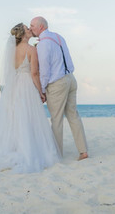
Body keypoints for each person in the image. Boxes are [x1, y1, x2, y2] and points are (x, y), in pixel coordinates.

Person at [0, 23, 61, 174]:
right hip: (26, 85)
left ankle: (13, 147)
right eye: (27, 29)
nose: (30, 30)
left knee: (14, 118)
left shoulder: (12, 51)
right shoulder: (31, 50)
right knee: (28, 117)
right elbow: (35, 73)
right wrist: (41, 92)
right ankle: (27, 149)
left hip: (14, 86)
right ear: (23, 34)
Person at [30, 16, 88, 161]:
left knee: (56, 120)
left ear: (41, 27)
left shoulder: (43, 44)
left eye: (32, 26)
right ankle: (83, 151)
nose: (30, 28)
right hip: (71, 79)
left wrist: (41, 91)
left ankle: (57, 154)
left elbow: (45, 71)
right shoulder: (58, 37)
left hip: (57, 83)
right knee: (74, 116)